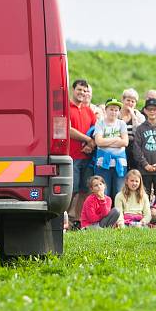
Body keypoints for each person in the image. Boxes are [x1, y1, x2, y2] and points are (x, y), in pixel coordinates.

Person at [132, 98, 156, 213]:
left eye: (154, 109)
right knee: (144, 197)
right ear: (145, 110)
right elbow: (137, 149)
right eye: (149, 109)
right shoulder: (140, 129)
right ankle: (145, 221)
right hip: (144, 170)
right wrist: (145, 164)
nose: (152, 111)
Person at [67, 79, 97, 226]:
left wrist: (90, 144)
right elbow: (68, 129)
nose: (82, 93)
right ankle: (63, 219)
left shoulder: (89, 111)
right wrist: (87, 139)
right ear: (73, 90)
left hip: (87, 156)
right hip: (72, 157)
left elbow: (96, 130)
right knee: (71, 190)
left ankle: (76, 219)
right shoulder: (66, 108)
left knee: (84, 190)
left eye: (85, 91)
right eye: (79, 90)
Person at [93, 98, 129, 201]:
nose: (113, 112)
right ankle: (104, 215)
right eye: (111, 109)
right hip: (103, 163)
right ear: (106, 110)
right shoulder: (100, 123)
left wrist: (107, 141)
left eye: (116, 110)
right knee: (103, 192)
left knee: (119, 191)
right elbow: (99, 142)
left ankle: (118, 215)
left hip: (119, 163)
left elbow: (125, 142)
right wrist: (117, 139)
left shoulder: (121, 124)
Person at [120, 88, 145, 169]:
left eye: (133, 101)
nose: (130, 103)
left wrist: (133, 116)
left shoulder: (139, 116)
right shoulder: (116, 113)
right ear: (123, 100)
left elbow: (139, 133)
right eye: (128, 100)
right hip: (120, 146)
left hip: (134, 148)